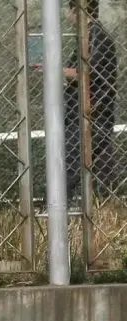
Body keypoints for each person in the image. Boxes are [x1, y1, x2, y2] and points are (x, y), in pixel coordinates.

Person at [63, 0, 118, 199]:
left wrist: (58, 70)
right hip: (88, 113)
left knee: (69, 166)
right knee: (89, 166)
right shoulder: (88, 36)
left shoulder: (97, 37)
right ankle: (95, 204)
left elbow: (87, 73)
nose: (67, 15)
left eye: (69, 10)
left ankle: (55, 206)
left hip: (92, 114)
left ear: (77, 10)